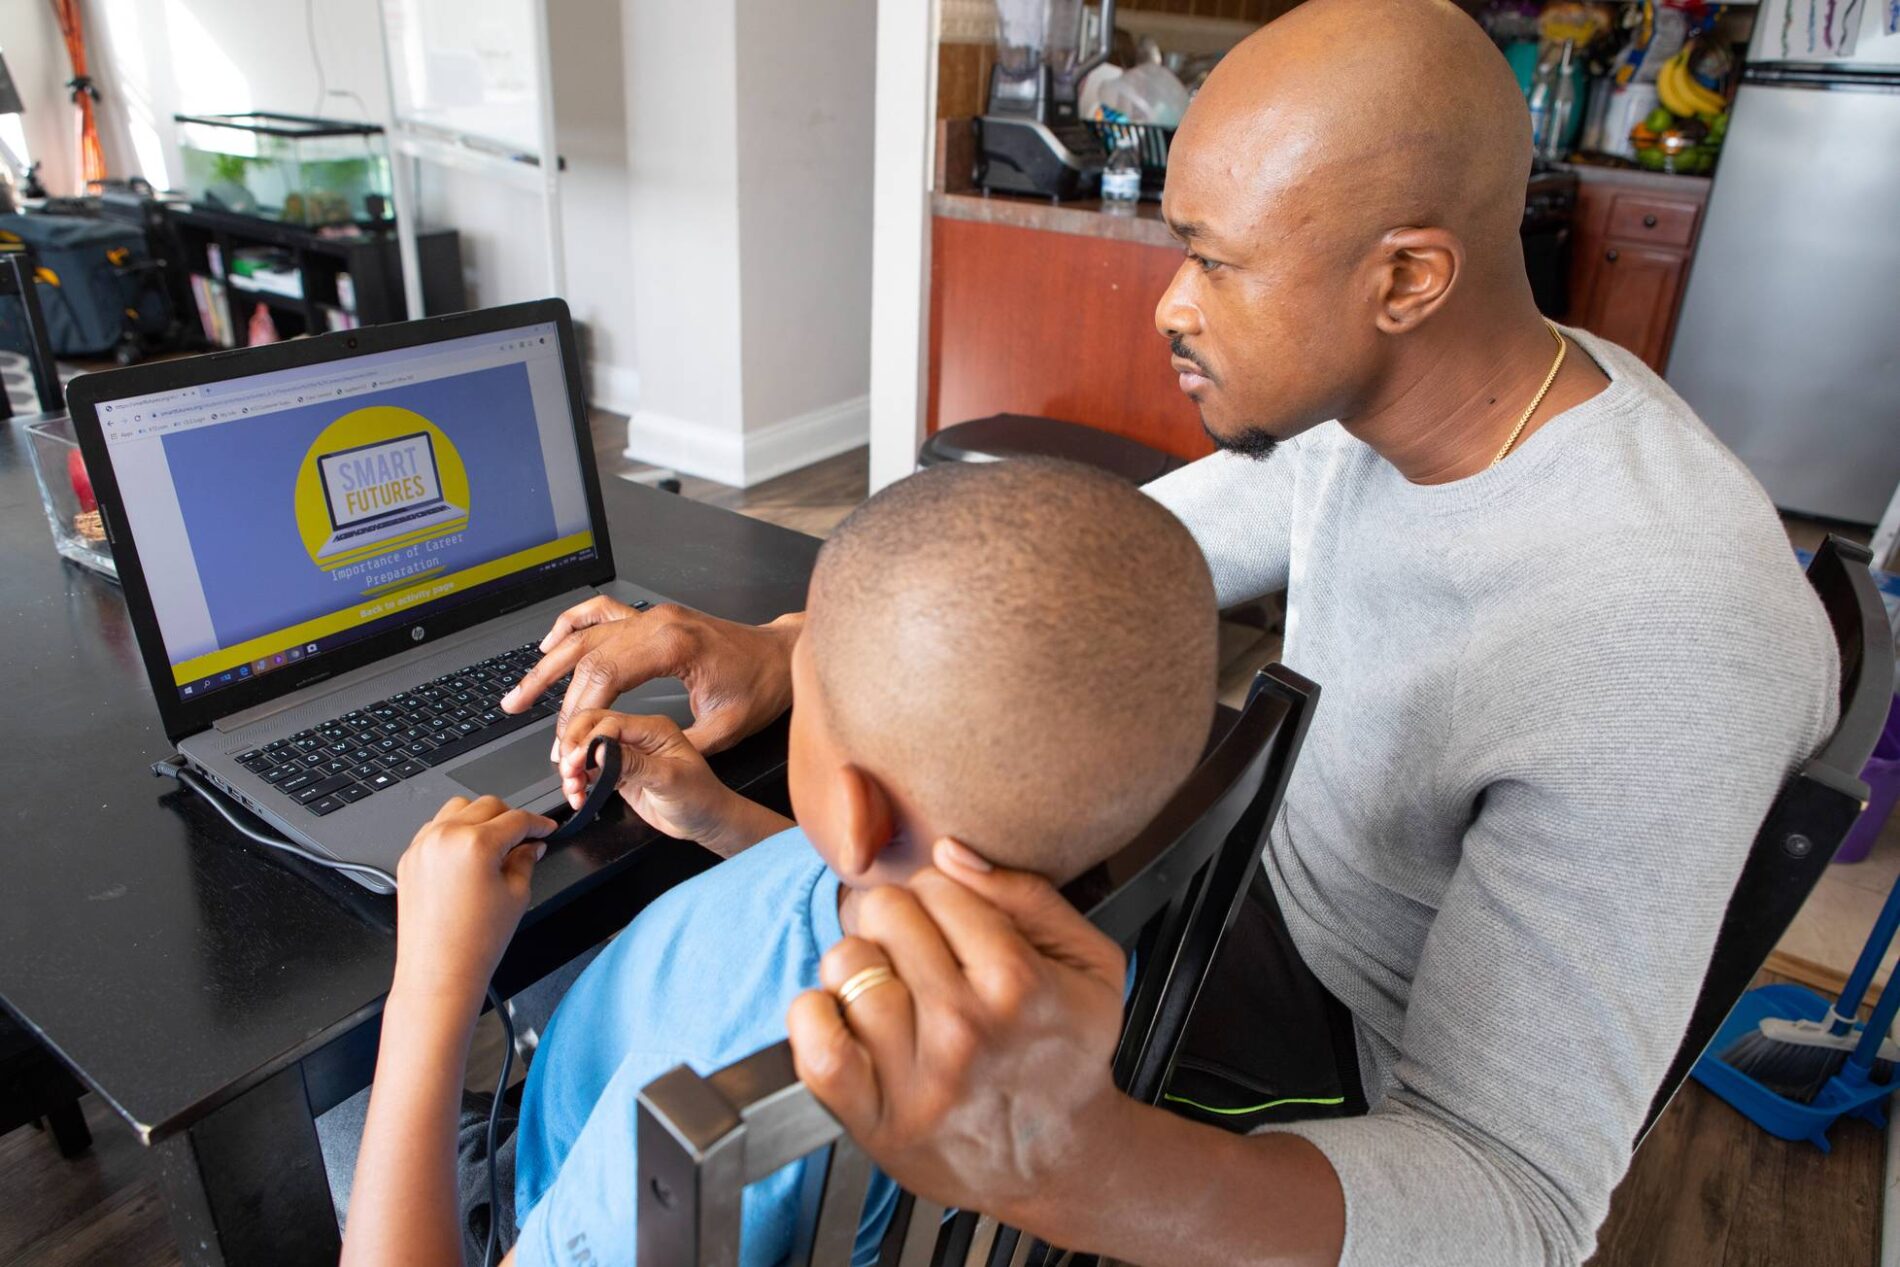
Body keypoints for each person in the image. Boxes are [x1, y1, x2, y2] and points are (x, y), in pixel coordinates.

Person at [495, 2, 1839, 1262]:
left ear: (1407, 277)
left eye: (1213, 259)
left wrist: (1074, 1161)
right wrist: (800, 643)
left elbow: (1518, 1204)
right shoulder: (1404, 400)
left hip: (1328, 1082)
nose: (1169, 303)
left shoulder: (1664, 625)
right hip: (1233, 893)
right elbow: (1091, 570)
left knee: (777, 960)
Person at [337, 459, 1219, 1266]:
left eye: (808, 678)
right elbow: (851, 884)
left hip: (558, 1190)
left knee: (351, 1112)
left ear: (859, 811)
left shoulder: (692, 1131)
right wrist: (720, 819)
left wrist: (432, 985)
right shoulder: (1070, 953)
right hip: (673, 1116)